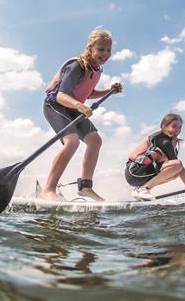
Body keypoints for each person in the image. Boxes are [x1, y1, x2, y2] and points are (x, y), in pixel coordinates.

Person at [40, 29, 123, 201]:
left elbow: (88, 92)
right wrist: (80, 105)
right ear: (90, 47)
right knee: (72, 142)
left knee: (95, 140)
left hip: (73, 108)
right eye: (101, 49)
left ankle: (85, 188)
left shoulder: (96, 70)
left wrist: (109, 91)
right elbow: (60, 95)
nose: (105, 54)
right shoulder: (78, 65)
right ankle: (48, 189)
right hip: (55, 105)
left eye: (108, 50)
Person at [125, 113, 185, 200]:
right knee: (177, 165)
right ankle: (144, 189)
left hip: (140, 174)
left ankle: (140, 189)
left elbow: (179, 169)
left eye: (180, 127)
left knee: (175, 172)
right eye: (174, 126)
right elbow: (177, 165)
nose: (177, 130)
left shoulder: (170, 140)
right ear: (164, 127)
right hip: (135, 171)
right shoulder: (163, 140)